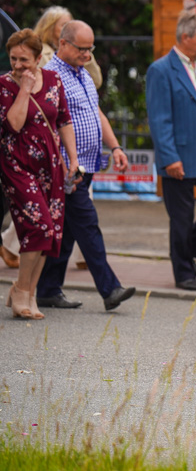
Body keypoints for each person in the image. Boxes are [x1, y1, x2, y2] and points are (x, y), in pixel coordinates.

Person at [36, 21, 136, 311]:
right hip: (68, 167)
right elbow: (48, 124)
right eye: (82, 49)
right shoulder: (50, 76)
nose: (88, 54)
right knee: (87, 223)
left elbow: (97, 113)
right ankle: (110, 288)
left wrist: (115, 146)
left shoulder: (83, 74)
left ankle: (47, 290)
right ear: (63, 44)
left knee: (68, 230)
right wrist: (66, 162)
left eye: (91, 48)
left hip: (88, 163)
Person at [146, 11, 196, 291]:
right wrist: (169, 158)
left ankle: (187, 252)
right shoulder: (160, 70)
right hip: (179, 155)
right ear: (185, 37)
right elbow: (159, 119)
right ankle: (183, 273)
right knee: (181, 217)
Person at [1, 29, 79, 319]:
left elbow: (63, 120)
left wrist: (73, 158)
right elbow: (14, 125)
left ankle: (29, 293)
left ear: (38, 58)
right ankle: (21, 289)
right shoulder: (4, 85)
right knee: (39, 226)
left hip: (50, 166)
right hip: (17, 165)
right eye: (13, 59)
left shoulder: (54, 80)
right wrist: (23, 88)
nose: (18, 65)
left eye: (24, 59)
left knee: (50, 232)